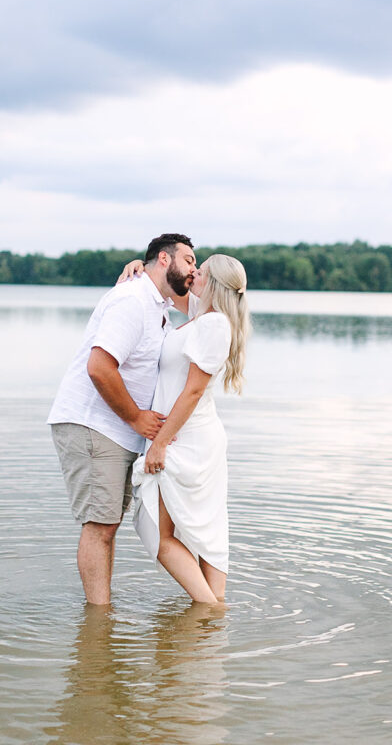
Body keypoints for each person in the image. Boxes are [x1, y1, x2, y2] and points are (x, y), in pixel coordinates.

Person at [47, 234, 197, 605]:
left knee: (106, 525)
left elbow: (202, 310)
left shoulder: (153, 301)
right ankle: (98, 626)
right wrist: (135, 418)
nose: (194, 269)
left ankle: (101, 612)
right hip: (95, 424)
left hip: (113, 429)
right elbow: (99, 367)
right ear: (164, 259)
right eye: (190, 260)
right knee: (100, 526)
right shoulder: (132, 301)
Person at [129, 254, 249, 604]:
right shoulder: (202, 314)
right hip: (185, 435)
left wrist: (159, 445)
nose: (194, 273)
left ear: (213, 284)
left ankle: (211, 611)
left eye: (202, 271)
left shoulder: (214, 325)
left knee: (165, 539)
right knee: (203, 532)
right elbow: (163, 286)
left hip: (187, 439)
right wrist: (141, 267)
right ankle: (211, 627)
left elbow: (193, 391)